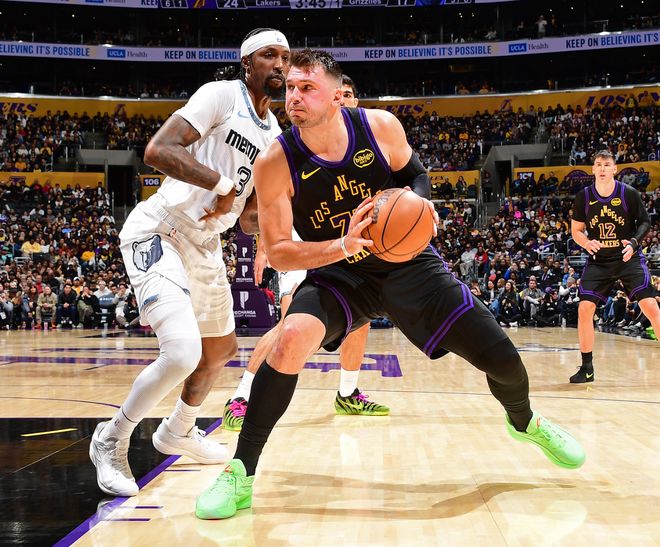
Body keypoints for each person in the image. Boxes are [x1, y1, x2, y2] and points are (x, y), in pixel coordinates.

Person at [195, 49, 585, 520]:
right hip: (340, 273)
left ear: (338, 96)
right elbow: (278, 251)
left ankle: (524, 421)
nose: (293, 96)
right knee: (290, 337)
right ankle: (241, 471)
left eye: (307, 88)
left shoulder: (380, 127)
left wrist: (419, 205)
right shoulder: (275, 161)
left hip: (408, 266)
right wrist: (343, 245)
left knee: (503, 360)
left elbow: (416, 176)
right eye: (290, 87)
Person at [89, 28, 290, 497]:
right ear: (247, 63)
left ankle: (177, 430)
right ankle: (110, 439)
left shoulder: (275, 135)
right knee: (182, 352)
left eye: (285, 57)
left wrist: (285, 211)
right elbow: (159, 150)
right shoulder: (221, 96)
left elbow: (249, 219)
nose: (280, 64)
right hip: (161, 228)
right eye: (269, 55)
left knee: (219, 350)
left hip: (206, 243)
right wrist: (223, 185)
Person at [223, 73, 388, 432]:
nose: (345, 100)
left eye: (350, 94)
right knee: (291, 323)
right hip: (302, 242)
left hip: (348, 242)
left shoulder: (366, 140)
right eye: (340, 94)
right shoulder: (299, 142)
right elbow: (269, 204)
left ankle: (348, 391)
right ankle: (242, 397)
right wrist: (263, 247)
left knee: (361, 317)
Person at [569, 150, 660, 383]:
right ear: (593, 169)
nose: (602, 168)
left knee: (650, 306)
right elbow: (576, 231)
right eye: (598, 164)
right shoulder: (583, 197)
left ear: (614, 169)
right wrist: (586, 243)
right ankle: (587, 368)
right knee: (584, 309)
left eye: (606, 164)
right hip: (599, 261)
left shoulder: (628, 193)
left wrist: (634, 242)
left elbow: (645, 222)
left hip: (628, 258)